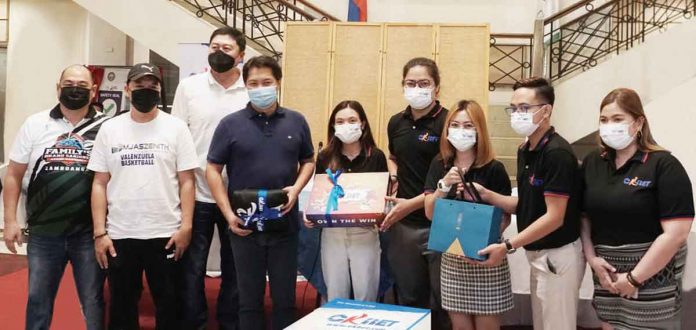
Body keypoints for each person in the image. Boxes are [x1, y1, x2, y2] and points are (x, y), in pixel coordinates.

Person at [206, 55, 315, 330]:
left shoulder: (296, 121)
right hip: (244, 227)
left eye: (266, 81)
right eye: (254, 83)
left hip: (284, 225)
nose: (260, 87)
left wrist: (297, 187)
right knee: (248, 301)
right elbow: (212, 169)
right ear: (246, 86)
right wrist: (228, 214)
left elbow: (309, 161)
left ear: (277, 82)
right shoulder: (230, 124)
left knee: (285, 300)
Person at [88, 63, 198, 330]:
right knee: (122, 307)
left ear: (161, 90)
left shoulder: (176, 128)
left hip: (166, 232)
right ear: (127, 89)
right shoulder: (110, 129)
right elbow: (99, 183)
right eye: (139, 86)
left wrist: (186, 226)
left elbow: (187, 181)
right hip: (120, 234)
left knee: (170, 305)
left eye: (153, 86)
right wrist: (100, 233)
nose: (146, 91)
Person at [473, 77, 584, 330]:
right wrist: (488, 195)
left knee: (557, 324)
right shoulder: (526, 149)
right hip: (536, 254)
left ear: (546, 111)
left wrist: (509, 244)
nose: (517, 114)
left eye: (524, 108)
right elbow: (528, 204)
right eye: (513, 108)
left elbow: (554, 216)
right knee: (542, 323)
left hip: (557, 254)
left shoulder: (557, 153)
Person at [3, 64, 108, 330]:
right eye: (69, 83)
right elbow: (13, 174)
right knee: (38, 300)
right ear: (58, 87)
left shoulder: (107, 127)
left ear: (94, 90)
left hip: (89, 234)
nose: (75, 89)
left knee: (93, 301)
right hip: (44, 232)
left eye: (82, 85)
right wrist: (11, 221)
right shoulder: (36, 123)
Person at [580, 88, 693, 330]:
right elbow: (584, 216)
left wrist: (633, 278)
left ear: (639, 122)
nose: (609, 125)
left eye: (618, 119)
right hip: (607, 275)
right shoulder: (593, 162)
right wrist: (592, 259)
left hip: (651, 278)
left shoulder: (664, 165)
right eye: (604, 120)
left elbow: (677, 233)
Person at [171, 26, 249, 330]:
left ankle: (230, 322)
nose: (219, 52)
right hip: (197, 193)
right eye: (214, 46)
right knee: (191, 268)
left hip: (239, 195)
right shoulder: (189, 88)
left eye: (227, 48)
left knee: (236, 268)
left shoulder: (250, 89)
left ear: (241, 55)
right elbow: (176, 136)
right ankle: (194, 323)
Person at [424, 100, 514, 330]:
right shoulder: (439, 164)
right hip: (453, 257)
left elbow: (506, 217)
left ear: (479, 130)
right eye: (455, 125)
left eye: (468, 125)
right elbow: (430, 213)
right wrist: (443, 186)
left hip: (485, 256)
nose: (460, 131)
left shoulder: (494, 168)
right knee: (460, 325)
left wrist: (479, 212)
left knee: (486, 325)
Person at [382, 57, 450, 329]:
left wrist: (410, 204)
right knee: (410, 298)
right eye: (411, 83)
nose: (417, 88)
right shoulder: (396, 122)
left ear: (437, 88)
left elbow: (450, 180)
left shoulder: (448, 123)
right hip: (405, 227)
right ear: (403, 86)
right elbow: (392, 156)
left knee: (443, 301)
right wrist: (394, 172)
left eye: (424, 83)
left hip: (440, 222)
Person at [303, 100, 387, 302]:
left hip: (365, 232)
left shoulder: (375, 156)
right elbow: (320, 194)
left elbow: (381, 197)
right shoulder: (325, 157)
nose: (346, 125)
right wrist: (310, 213)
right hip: (333, 234)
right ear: (333, 125)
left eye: (352, 120)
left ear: (363, 124)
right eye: (340, 121)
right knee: (335, 293)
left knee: (366, 293)